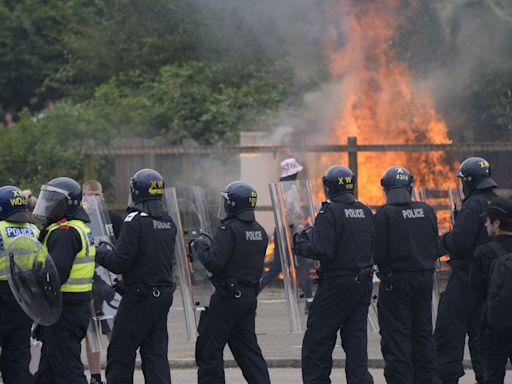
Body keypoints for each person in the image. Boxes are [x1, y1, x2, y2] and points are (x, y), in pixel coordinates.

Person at [293, 165, 375, 384]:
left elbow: (322, 250)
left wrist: (300, 242)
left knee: (318, 338)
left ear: (329, 187)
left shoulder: (329, 212)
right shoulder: (365, 210)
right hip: (363, 282)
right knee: (356, 339)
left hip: (337, 284)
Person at [95, 169, 176, 384]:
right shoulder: (168, 221)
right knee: (155, 354)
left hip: (140, 297)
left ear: (137, 191)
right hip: (162, 296)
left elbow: (120, 262)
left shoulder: (134, 221)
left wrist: (99, 252)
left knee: (121, 352)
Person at [192, 181, 271, 384]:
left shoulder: (229, 229)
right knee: (249, 352)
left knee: (209, 348)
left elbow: (215, 263)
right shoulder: (260, 231)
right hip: (248, 297)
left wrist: (201, 247)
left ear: (234, 204)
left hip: (227, 298)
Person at [436, 156, 498, 384]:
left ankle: (448, 377)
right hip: (489, 283)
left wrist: (441, 244)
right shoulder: (496, 202)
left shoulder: (473, 205)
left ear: (469, 181)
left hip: (465, 280)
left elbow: (460, 242)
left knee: (448, 330)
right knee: (480, 335)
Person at [374, 166, 440, 384]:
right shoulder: (428, 210)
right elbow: (434, 245)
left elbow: (377, 252)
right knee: (423, 335)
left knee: (397, 338)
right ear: (410, 186)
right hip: (424, 280)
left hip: (396, 283)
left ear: (386, 189)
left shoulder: (385, 214)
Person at [32, 177, 96, 384]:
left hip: (63, 309)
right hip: (75, 306)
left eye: (52, 201)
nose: (47, 204)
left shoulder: (64, 233)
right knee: (47, 371)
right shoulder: (78, 227)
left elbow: (55, 275)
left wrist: (31, 276)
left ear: (66, 204)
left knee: (68, 371)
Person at [82, 180, 123, 384]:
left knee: (113, 329)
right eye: (88, 195)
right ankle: (95, 376)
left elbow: (125, 250)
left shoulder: (113, 219)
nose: (92, 199)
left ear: (102, 196)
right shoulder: (80, 220)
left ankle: (117, 372)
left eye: (96, 195)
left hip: (110, 282)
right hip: (87, 281)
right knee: (92, 332)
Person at [261, 158, 314, 311]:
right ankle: (309, 301)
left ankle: (254, 291)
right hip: (292, 230)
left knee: (277, 266)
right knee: (302, 264)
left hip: (282, 229)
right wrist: (303, 223)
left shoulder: (283, 188)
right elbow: (291, 211)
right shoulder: (290, 190)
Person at [469, 197, 512, 384]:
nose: (486, 224)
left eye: (488, 220)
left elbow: (476, 288)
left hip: (494, 327)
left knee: (492, 378)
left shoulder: (483, 252)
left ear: (497, 223)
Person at [0, 185, 39, 383]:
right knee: (17, 361)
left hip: (2, 296)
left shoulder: (0, 230)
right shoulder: (33, 230)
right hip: (24, 299)